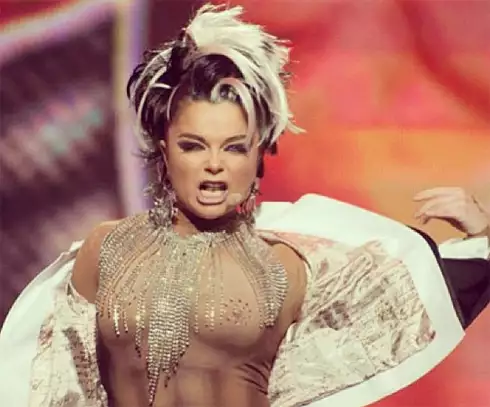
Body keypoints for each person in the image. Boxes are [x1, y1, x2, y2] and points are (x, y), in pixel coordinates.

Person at [0, 4, 488, 407]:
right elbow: (56, 381)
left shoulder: (289, 266)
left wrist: (483, 239)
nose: (214, 165)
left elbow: (420, 305)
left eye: (234, 148)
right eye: (194, 145)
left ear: (258, 155)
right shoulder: (104, 251)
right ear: (164, 150)